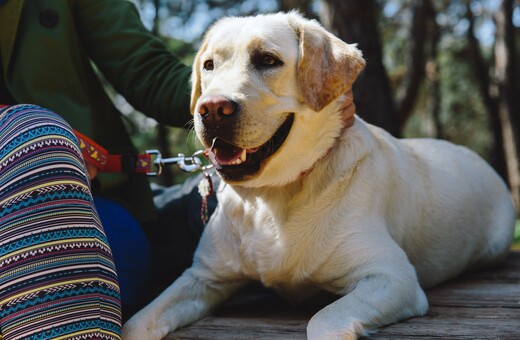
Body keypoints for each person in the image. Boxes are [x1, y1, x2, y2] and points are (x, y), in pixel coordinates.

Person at [0, 0, 357, 337]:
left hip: (102, 198)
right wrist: (35, 152)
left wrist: (306, 86)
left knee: (202, 213)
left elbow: (145, 68)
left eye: (267, 60)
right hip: (32, 195)